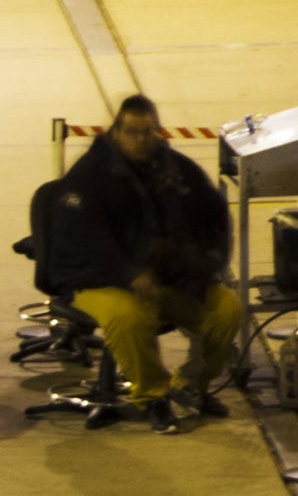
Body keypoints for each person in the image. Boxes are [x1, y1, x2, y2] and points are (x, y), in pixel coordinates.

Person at [47, 96, 245, 433]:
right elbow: (82, 239)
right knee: (129, 317)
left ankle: (190, 386)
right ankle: (152, 396)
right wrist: (128, 273)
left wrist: (206, 267)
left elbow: (214, 219)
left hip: (168, 281)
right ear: (116, 132)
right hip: (99, 282)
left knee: (226, 310)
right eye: (132, 131)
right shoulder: (90, 176)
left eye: (148, 131)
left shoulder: (178, 170)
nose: (141, 139)